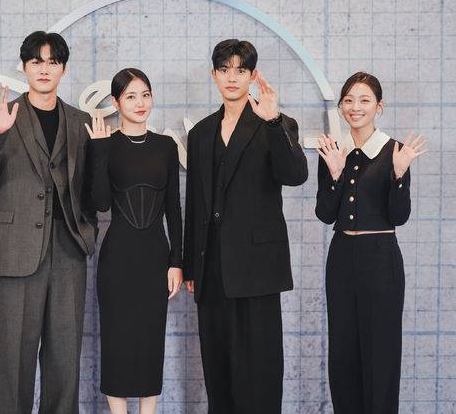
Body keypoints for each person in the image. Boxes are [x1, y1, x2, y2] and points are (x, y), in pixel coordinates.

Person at [0, 31, 97, 414]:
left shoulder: (81, 121)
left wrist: (88, 230)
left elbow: (91, 189)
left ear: (63, 69)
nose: (44, 69)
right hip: (15, 251)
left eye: (52, 61)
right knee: (13, 362)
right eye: (36, 61)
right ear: (23, 67)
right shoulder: (4, 115)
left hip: (69, 251)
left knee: (64, 363)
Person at [182, 39, 308, 413]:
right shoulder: (201, 132)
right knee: (218, 372)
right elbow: (195, 202)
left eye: (240, 70)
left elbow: (295, 175)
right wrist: (191, 266)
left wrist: (273, 121)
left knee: (259, 373)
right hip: (211, 269)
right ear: (214, 75)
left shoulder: (276, 123)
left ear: (253, 76)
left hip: (258, 269)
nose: (232, 77)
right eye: (224, 70)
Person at [315, 72, 426, 414]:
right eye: (348, 100)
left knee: (380, 354)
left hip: (380, 260)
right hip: (341, 258)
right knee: (343, 353)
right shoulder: (333, 150)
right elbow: (325, 214)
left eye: (364, 100)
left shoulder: (395, 151)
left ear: (379, 106)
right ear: (341, 106)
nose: (355, 107)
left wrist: (399, 175)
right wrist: (334, 175)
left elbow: (399, 216)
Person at [85, 68, 183, 414]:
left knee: (150, 341)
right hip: (118, 260)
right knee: (117, 342)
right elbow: (100, 203)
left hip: (156, 259)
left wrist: (176, 261)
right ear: (116, 103)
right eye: (130, 96)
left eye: (145, 94)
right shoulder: (106, 145)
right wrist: (99, 151)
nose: (140, 103)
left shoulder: (166, 146)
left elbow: (174, 209)